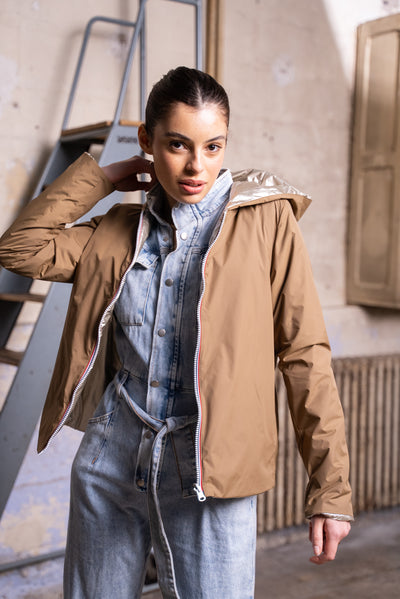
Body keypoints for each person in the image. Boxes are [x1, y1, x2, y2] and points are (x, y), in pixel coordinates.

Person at [0, 66, 352, 598]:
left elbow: (305, 354)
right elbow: (19, 248)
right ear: (148, 141)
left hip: (212, 470)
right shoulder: (116, 232)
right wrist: (103, 178)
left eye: (213, 147)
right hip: (112, 457)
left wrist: (331, 489)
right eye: (177, 144)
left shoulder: (267, 222)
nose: (196, 166)